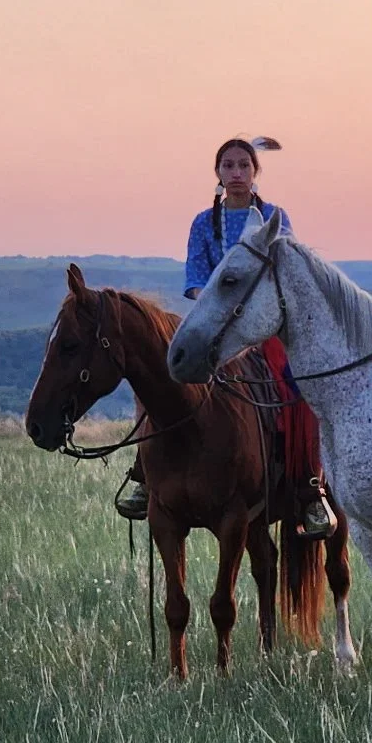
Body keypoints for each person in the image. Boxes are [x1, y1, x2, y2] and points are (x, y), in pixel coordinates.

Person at [116, 137, 335, 539]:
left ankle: (309, 487)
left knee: (298, 387)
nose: (236, 173)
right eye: (228, 166)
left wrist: (249, 315)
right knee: (159, 376)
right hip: (213, 323)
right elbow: (197, 278)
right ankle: (144, 472)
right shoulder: (203, 223)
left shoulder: (275, 217)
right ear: (218, 173)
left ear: (255, 173)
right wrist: (217, 310)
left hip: (264, 326)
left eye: (244, 166)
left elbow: (289, 272)